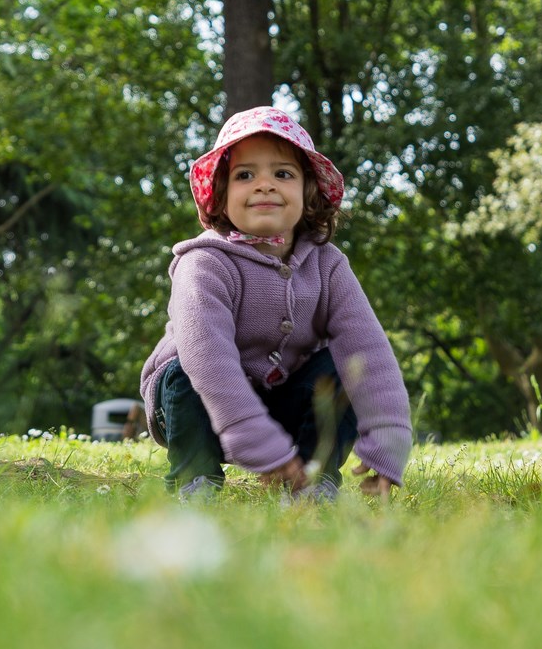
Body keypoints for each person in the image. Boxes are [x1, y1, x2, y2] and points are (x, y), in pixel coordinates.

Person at [139, 106, 413, 502]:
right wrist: (258, 445)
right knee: (183, 371)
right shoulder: (204, 263)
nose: (264, 185)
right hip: (193, 406)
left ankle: (311, 478)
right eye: (245, 175)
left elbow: (368, 350)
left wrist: (389, 440)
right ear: (221, 193)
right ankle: (195, 480)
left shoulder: (327, 264)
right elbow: (208, 361)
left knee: (343, 365)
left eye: (282, 174)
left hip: (285, 401)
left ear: (308, 191)